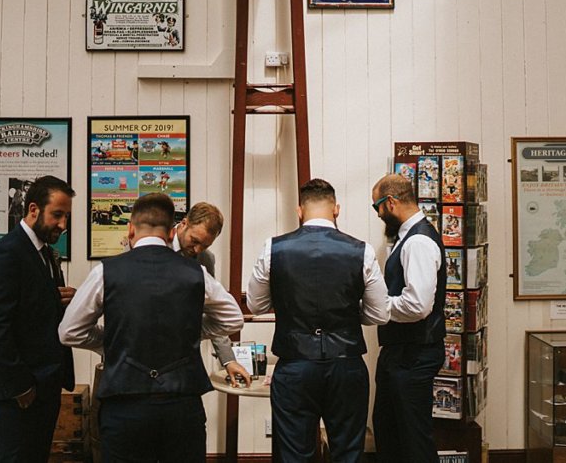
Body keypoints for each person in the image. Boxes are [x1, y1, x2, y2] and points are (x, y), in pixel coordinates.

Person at [59, 193, 243, 462]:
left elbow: (69, 331)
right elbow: (233, 319)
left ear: (130, 229)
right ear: (173, 231)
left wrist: (109, 341)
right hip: (181, 403)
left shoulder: (106, 270)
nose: (198, 250)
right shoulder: (196, 273)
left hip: (125, 402)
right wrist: (186, 332)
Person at [247, 179, 389, 462]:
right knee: (348, 452)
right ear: (336, 209)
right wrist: (348, 311)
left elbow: (256, 304)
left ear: (299, 211)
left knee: (294, 455)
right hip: (346, 363)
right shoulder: (361, 251)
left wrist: (288, 303)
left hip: (295, 363)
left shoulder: (272, 249)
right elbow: (379, 313)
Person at [0, 176, 77, 463]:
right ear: (33, 209)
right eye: (57, 215)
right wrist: (20, 385)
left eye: (66, 216)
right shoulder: (7, 252)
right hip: (20, 387)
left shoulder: (44, 253)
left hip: (44, 382)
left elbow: (32, 308)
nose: (63, 225)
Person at [370, 173, 446, 463]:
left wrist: (376, 305)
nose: (377, 214)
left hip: (413, 355)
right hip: (403, 353)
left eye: (376, 206)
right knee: (391, 432)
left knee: (412, 439)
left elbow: (417, 305)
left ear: (390, 202)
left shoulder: (418, 243)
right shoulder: (410, 238)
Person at [172, 202, 251, 388]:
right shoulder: (153, 245)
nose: (197, 250)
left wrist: (228, 360)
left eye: (205, 245)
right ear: (184, 223)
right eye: (195, 241)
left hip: (182, 359)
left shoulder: (206, 259)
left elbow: (212, 310)